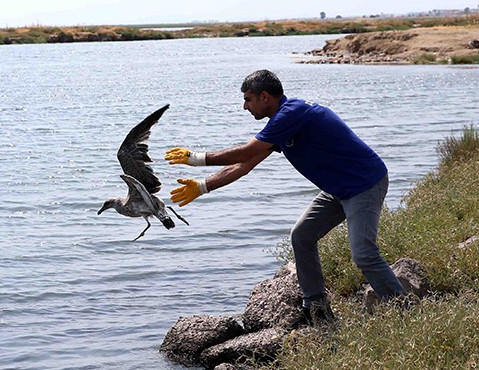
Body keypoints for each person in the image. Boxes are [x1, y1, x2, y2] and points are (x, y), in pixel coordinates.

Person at [165, 69, 405, 323]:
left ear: (265, 96)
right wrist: (203, 186)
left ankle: (405, 310)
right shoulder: (281, 123)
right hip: (338, 189)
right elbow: (245, 165)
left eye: (248, 99)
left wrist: (196, 159)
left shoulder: (292, 113)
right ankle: (316, 306)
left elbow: (246, 153)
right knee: (302, 236)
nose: (244, 106)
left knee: (364, 254)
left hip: (364, 185)